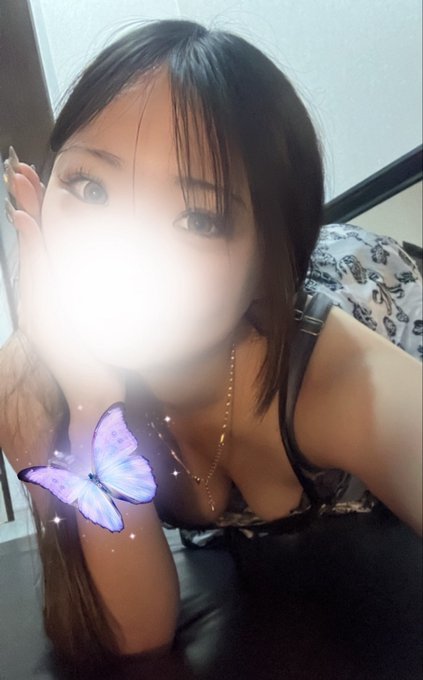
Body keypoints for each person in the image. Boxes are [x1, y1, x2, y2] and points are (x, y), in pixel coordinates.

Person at [1, 17, 421, 673]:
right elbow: (135, 634)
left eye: (197, 217)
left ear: (266, 262)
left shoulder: (338, 379)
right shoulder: (27, 383)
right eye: (90, 186)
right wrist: (90, 401)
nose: (123, 249)